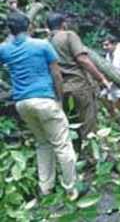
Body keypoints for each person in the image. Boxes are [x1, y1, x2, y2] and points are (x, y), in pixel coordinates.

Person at [0, 12, 78, 200]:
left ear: (9, 30)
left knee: (43, 143)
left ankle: (46, 188)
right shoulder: (42, 45)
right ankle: (71, 189)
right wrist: (59, 99)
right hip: (44, 99)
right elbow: (57, 75)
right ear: (29, 27)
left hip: (22, 103)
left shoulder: (3, 49)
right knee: (62, 145)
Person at [47, 13, 111, 152]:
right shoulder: (68, 35)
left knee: (70, 123)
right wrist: (101, 78)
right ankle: (92, 156)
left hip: (60, 89)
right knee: (88, 122)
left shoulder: (46, 42)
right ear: (63, 23)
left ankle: (74, 154)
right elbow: (83, 60)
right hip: (78, 85)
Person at [102, 35, 120, 123]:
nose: (104, 47)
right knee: (103, 96)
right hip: (117, 80)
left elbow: (115, 71)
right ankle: (118, 118)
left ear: (114, 44)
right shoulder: (109, 54)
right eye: (104, 45)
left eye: (107, 45)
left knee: (119, 101)